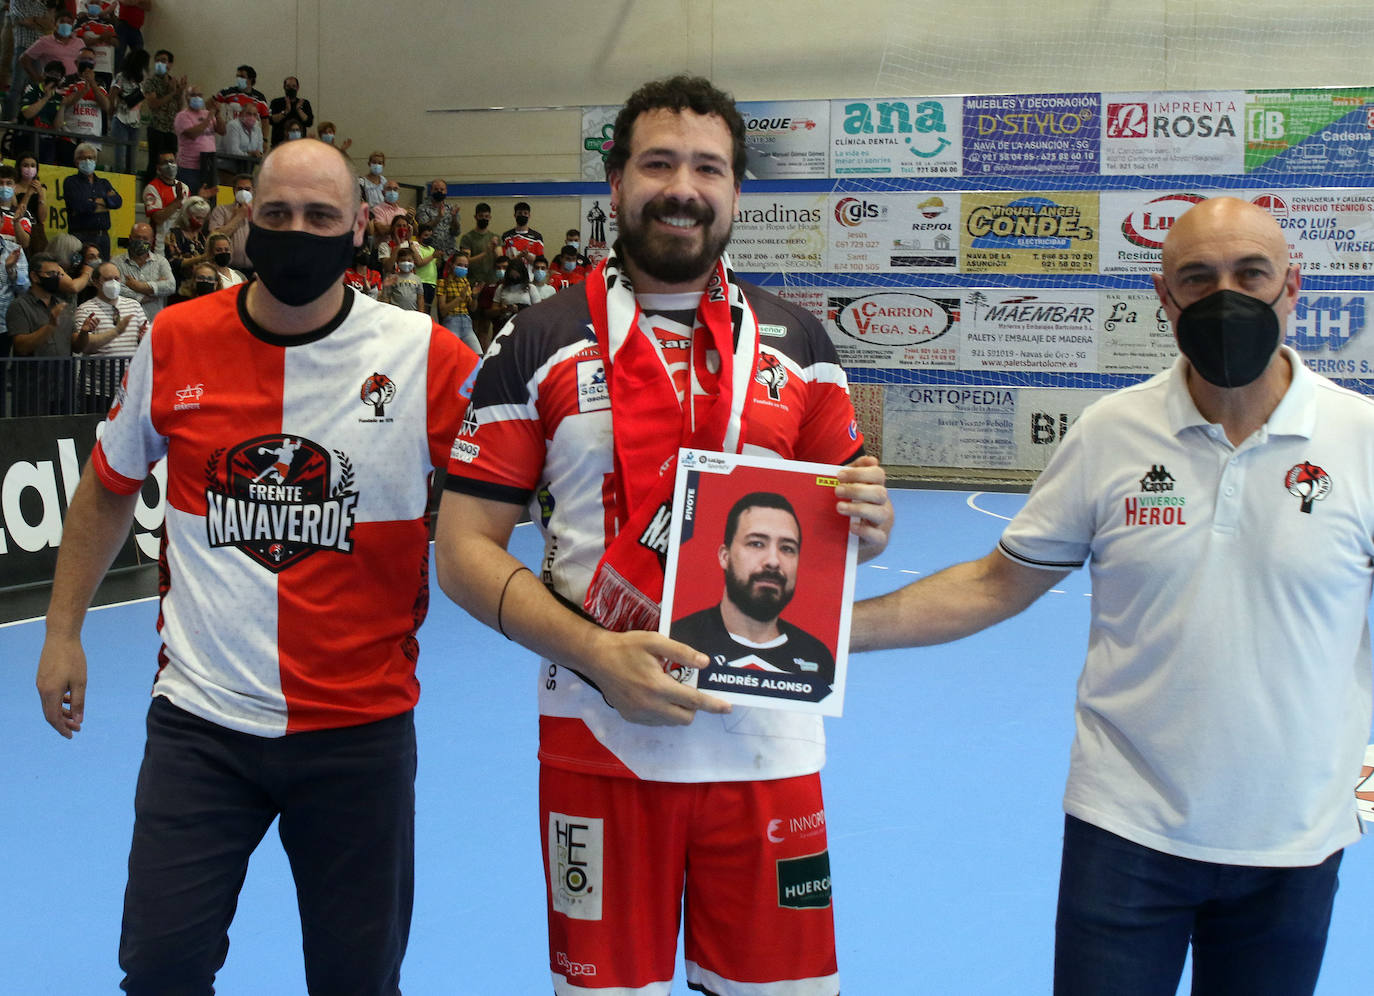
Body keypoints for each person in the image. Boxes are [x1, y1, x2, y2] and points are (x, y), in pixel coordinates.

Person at [434, 74, 891, 996]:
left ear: (735, 189)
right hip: (596, 743)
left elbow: (847, 530)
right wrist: (600, 655)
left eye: (707, 167)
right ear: (614, 184)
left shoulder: (800, 342)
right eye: (658, 162)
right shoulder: (536, 338)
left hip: (767, 749)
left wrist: (870, 520)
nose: (682, 185)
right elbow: (463, 550)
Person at [851, 196, 1374, 996]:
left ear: (1292, 287)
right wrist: (823, 630)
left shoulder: (1361, 440)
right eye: (1197, 278)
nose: (1223, 295)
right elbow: (996, 584)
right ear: (1164, 300)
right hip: (1125, 833)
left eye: (1250, 273)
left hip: (1294, 842)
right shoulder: (1110, 433)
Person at [35, 136, 478, 994]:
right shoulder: (177, 338)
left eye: (320, 215)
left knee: (357, 981)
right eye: (276, 215)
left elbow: (529, 475)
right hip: (202, 725)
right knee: (161, 967)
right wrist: (62, 631)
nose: (297, 231)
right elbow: (106, 487)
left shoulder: (426, 355)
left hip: (359, 731)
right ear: (245, 225)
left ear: (358, 230)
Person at [669, 492, 836, 686]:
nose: (773, 561)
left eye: (787, 548)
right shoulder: (677, 641)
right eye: (756, 543)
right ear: (725, 556)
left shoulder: (817, 656)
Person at [5, 251, 82, 415]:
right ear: (35, 276)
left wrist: (85, 333)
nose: (56, 278)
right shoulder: (19, 306)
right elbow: (21, 346)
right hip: (33, 392)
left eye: (59, 274)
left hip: (63, 388)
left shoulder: (63, 305)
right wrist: (50, 327)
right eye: (51, 274)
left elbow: (75, 344)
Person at [74, 257, 146, 412]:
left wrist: (144, 338)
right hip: (97, 391)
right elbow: (85, 346)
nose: (113, 283)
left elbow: (144, 338)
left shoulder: (134, 305)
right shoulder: (86, 310)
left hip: (129, 389)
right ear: (95, 282)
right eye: (107, 279)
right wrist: (116, 331)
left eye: (116, 278)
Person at [62, 141, 120, 258]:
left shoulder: (104, 183)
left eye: (91, 158)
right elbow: (80, 206)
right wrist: (104, 203)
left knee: (103, 272)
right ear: (76, 161)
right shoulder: (71, 182)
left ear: (95, 160)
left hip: (102, 237)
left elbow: (117, 202)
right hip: (80, 237)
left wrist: (92, 201)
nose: (88, 161)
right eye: (83, 158)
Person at [457, 200, 501, 345]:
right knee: (472, 326)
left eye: (487, 216)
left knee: (485, 327)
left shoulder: (495, 237)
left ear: (491, 218)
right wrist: (485, 251)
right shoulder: (468, 238)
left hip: (490, 285)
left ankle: (483, 361)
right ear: (475, 217)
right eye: (481, 216)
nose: (484, 219)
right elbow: (466, 260)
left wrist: (494, 249)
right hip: (473, 284)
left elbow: (500, 260)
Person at [113, 220, 175, 321]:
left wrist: (139, 286)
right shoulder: (116, 262)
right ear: (130, 238)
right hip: (126, 322)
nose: (141, 241)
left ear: (152, 241)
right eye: (137, 237)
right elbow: (116, 288)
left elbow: (171, 286)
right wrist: (141, 297)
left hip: (153, 322)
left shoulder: (160, 261)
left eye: (145, 238)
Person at [140, 49, 182, 183]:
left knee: (171, 164)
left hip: (171, 129)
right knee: (155, 162)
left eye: (163, 61)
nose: (159, 63)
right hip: (156, 128)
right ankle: (149, 192)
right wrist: (170, 93)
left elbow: (179, 107)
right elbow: (153, 104)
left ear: (170, 64)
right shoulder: (151, 82)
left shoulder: (174, 81)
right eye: (157, 60)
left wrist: (179, 92)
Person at [174, 83, 221, 193]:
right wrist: (210, 116)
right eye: (193, 95)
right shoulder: (182, 116)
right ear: (187, 97)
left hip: (208, 165)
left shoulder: (207, 113)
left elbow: (222, 131)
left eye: (199, 95)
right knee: (190, 200)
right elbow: (193, 134)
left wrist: (217, 114)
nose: (197, 98)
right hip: (189, 167)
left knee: (207, 202)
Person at [108, 47, 148, 174]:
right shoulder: (122, 76)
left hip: (135, 122)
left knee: (132, 160)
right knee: (121, 157)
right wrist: (111, 110)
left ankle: (129, 181)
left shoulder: (140, 81)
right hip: (121, 119)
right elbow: (113, 93)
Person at [206, 172, 253, 274]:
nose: (243, 192)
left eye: (247, 189)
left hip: (255, 270)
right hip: (229, 269)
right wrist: (238, 217)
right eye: (240, 189)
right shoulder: (221, 210)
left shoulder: (260, 213)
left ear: (254, 191)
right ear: (233, 190)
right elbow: (214, 238)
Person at [143, 149, 188, 255]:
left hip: (180, 245)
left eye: (172, 161)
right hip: (160, 246)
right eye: (165, 162)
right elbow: (158, 218)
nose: (170, 165)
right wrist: (177, 201)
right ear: (158, 168)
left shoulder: (184, 187)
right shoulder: (152, 188)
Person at [435, 249, 477, 351]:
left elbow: (473, 308)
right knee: (451, 353)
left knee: (478, 356)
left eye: (466, 266)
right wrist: (459, 299)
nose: (463, 268)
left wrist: (475, 296)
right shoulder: (442, 282)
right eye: (460, 265)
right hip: (451, 321)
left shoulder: (465, 282)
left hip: (467, 322)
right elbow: (443, 311)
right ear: (452, 265)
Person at [163, 193, 209, 283]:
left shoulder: (201, 236)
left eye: (203, 218)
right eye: (197, 218)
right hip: (180, 283)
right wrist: (201, 258)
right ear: (187, 216)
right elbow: (173, 262)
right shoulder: (174, 234)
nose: (200, 222)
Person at [414, 177, 457, 257]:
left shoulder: (451, 209)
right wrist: (438, 217)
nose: (439, 192)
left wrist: (454, 218)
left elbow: (456, 232)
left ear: (446, 191)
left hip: (449, 254)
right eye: (436, 189)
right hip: (430, 253)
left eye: (442, 189)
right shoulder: (423, 208)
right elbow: (423, 229)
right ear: (431, 191)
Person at [267, 75, 312, 146]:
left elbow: (309, 122)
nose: (291, 89)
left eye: (293, 86)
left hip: (299, 144)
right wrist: (286, 111)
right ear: (284, 87)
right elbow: (271, 120)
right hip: (278, 144)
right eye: (288, 86)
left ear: (298, 88)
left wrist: (299, 110)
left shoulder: (304, 103)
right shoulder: (276, 102)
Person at [382, 245, 423, 312]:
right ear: (397, 262)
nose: (406, 263)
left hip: (412, 313)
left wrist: (421, 313)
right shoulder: (392, 278)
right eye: (403, 260)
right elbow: (387, 297)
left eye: (409, 260)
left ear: (413, 262)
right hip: (396, 313)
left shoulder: (417, 279)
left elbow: (420, 299)